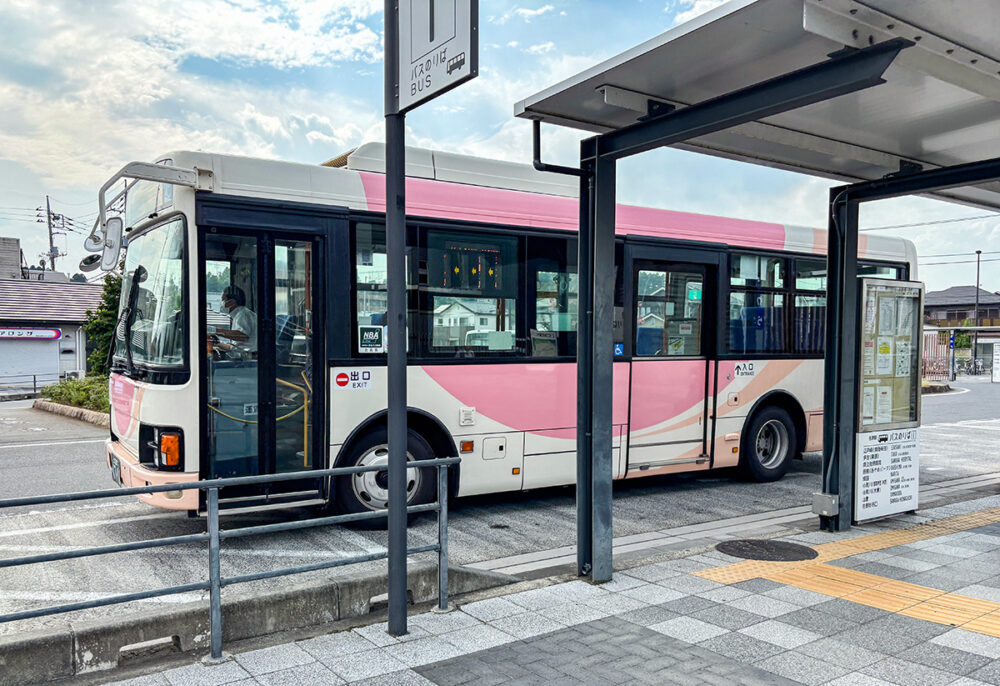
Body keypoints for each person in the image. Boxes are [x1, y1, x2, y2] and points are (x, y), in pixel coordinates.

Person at [216, 285, 257, 350]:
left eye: (223, 300)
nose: (221, 303)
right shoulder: (237, 315)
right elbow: (234, 347)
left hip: (249, 357)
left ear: (232, 301)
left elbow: (242, 336)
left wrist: (215, 331)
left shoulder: (243, 314)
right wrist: (216, 342)